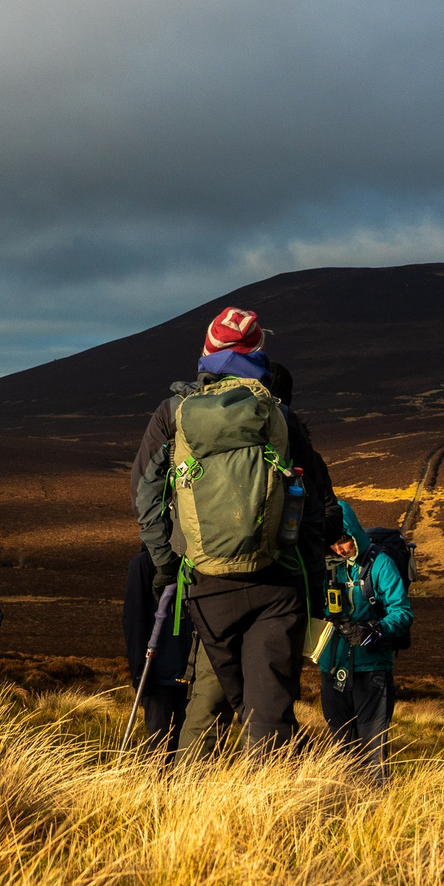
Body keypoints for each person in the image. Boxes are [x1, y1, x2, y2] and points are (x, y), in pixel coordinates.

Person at [132, 307, 336, 755]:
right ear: (259, 354)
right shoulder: (280, 415)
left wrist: (168, 565)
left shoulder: (174, 414)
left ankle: (194, 803)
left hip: (207, 585)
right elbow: (318, 504)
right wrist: (314, 583)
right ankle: (266, 811)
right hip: (277, 582)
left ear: (206, 353)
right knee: (268, 709)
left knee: (217, 699)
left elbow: (144, 496)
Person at [315, 502, 414, 783]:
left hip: (371, 668)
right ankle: (346, 812)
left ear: (353, 532)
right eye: (332, 543)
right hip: (332, 670)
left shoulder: (380, 563)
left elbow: (402, 611)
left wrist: (374, 630)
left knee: (374, 754)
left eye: (343, 540)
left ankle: (378, 817)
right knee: (341, 752)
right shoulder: (323, 567)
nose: (339, 549)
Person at [122, 546, 195, 762]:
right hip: (157, 674)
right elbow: (134, 621)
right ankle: (155, 791)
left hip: (190, 671)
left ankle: (183, 791)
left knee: (188, 744)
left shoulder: (196, 561)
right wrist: (139, 675)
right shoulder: (144, 564)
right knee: (158, 742)